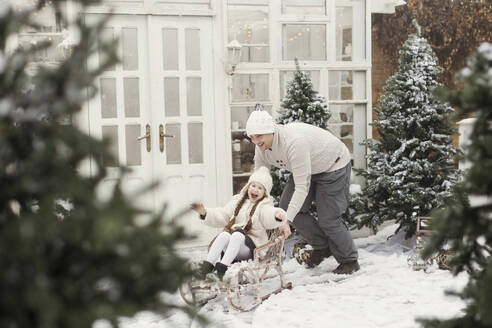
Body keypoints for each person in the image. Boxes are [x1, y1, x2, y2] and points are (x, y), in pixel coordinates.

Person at [245, 109, 359, 274]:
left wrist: (286, 221)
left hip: (333, 165)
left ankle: (349, 260)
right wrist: (250, 206)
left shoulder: (294, 142)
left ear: (272, 130)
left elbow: (301, 187)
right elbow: (259, 178)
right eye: (252, 137)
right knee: (285, 210)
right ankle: (322, 247)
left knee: (328, 218)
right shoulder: (261, 147)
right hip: (309, 167)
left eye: (259, 136)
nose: (255, 141)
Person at [190, 166, 288, 280]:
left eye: (260, 188)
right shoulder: (237, 201)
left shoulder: (264, 206)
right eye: (253, 185)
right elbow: (223, 214)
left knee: (237, 234)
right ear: (248, 186)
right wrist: (204, 213)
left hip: (251, 250)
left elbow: (269, 214)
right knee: (224, 234)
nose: (255, 190)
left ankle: (221, 271)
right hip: (233, 247)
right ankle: (206, 268)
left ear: (265, 193)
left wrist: (278, 215)